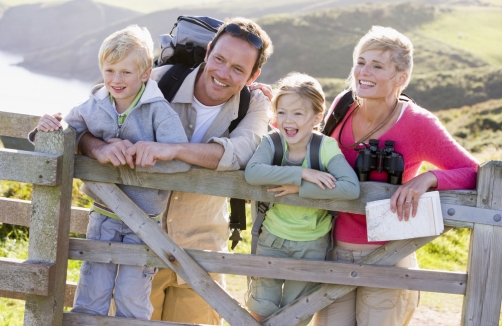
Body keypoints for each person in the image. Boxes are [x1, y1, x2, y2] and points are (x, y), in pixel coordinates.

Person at [39, 17, 273, 324]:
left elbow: (241, 151)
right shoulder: (161, 80)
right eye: (219, 59)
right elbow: (99, 108)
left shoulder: (253, 104)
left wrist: (173, 149)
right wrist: (98, 148)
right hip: (137, 241)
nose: (223, 73)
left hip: (200, 252)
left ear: (254, 75)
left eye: (238, 69)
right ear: (208, 51)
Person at [312, 26, 479, 326]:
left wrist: (429, 179)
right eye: (361, 62)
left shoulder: (418, 123)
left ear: (401, 78)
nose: (364, 71)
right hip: (335, 250)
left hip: (390, 255)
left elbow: (473, 171)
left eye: (377, 66)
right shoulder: (342, 106)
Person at [32, 25, 191, 319]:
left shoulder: (159, 111)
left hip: (144, 224)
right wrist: (49, 125)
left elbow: (181, 160)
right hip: (103, 215)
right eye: (109, 70)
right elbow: (71, 129)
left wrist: (145, 152)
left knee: (132, 298)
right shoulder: (94, 104)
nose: (116, 80)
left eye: (126, 72)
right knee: (92, 291)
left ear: (145, 74)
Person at [244, 73, 360, 324]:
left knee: (294, 316)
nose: (288, 120)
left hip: (311, 245)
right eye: (282, 112)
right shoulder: (271, 142)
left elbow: (351, 188)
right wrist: (301, 173)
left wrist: (300, 188)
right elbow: (253, 173)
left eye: (298, 113)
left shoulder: (326, 147)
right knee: (260, 311)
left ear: (317, 117)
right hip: (271, 239)